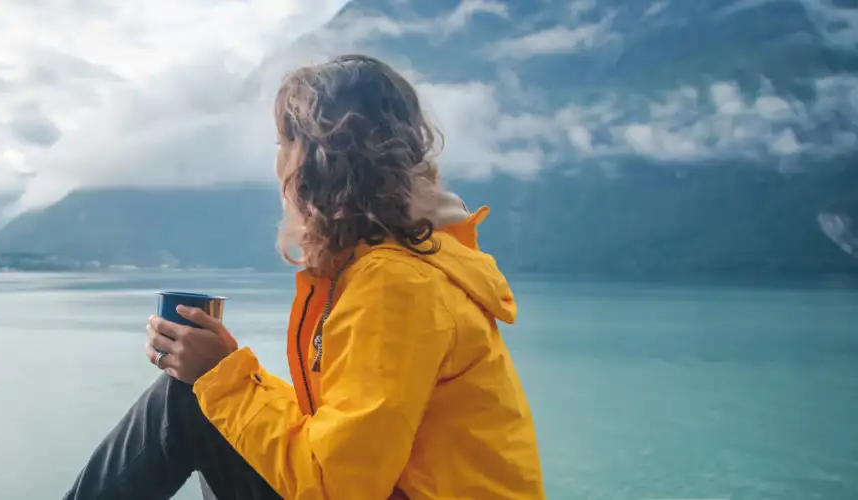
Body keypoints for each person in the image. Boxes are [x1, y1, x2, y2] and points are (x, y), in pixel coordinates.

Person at [61, 54, 545, 500]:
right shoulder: (394, 266)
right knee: (199, 400)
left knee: (187, 403)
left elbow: (335, 486)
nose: (277, 164)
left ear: (320, 160)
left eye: (285, 142)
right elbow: (345, 446)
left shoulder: (395, 285)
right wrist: (225, 370)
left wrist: (220, 377)